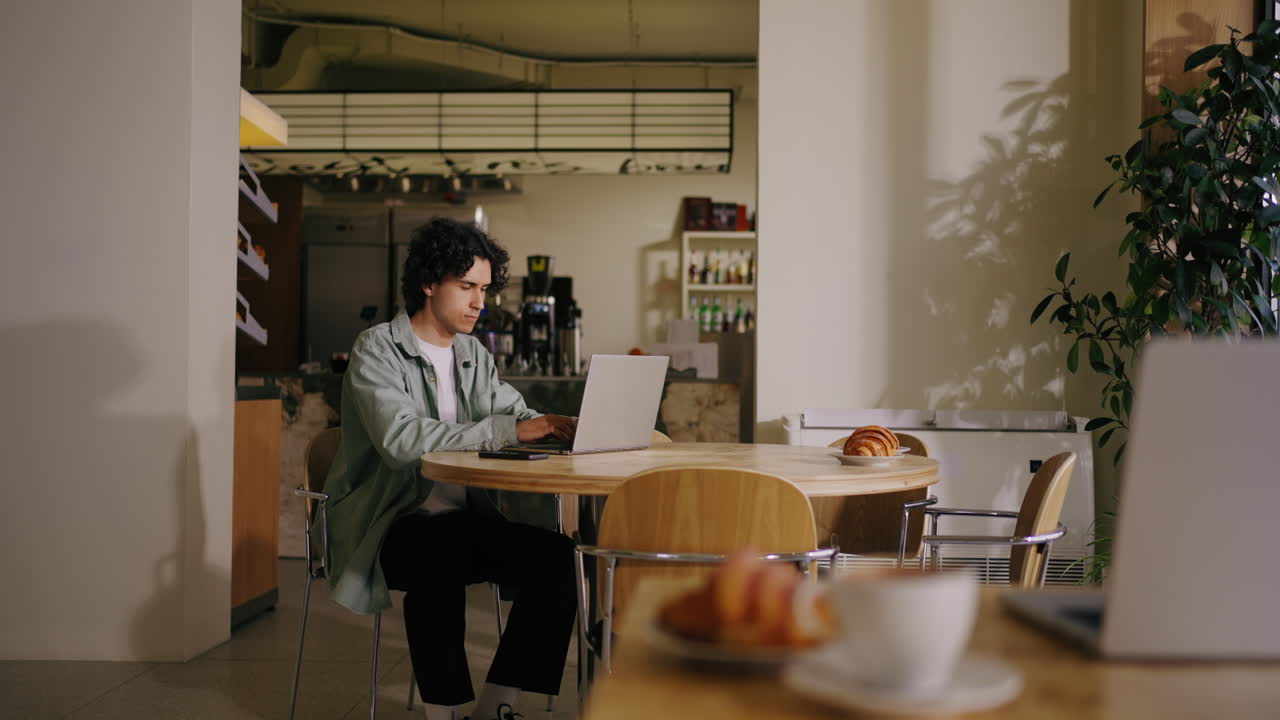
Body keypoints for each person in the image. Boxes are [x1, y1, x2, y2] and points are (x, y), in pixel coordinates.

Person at [322, 217, 579, 720]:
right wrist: (510, 431)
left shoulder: (472, 355)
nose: (479, 302)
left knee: (559, 558)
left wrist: (555, 425)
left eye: (483, 289)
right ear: (428, 282)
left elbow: (514, 412)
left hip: (464, 521)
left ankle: (496, 707)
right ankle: (448, 711)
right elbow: (401, 442)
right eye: (466, 287)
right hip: (388, 521)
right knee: (435, 555)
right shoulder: (377, 349)